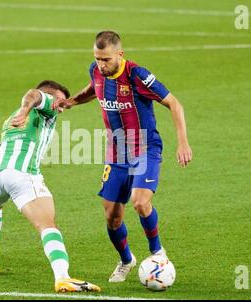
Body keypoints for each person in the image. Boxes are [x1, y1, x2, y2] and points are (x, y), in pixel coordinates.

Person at [52, 31, 193, 283]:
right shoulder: (96, 71)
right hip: (116, 153)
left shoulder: (137, 75)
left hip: (144, 148)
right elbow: (94, 89)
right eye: (97, 58)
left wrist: (183, 142)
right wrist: (73, 101)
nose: (101, 65)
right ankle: (127, 260)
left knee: (140, 202)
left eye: (106, 59)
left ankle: (158, 252)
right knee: (112, 217)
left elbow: (175, 103)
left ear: (120, 54)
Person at [0, 80, 100, 293]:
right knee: (47, 225)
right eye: (58, 101)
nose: (60, 108)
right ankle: (63, 277)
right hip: (21, 174)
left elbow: (73, 102)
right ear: (49, 97)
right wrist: (28, 108)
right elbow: (33, 94)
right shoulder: (43, 106)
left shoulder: (11, 118)